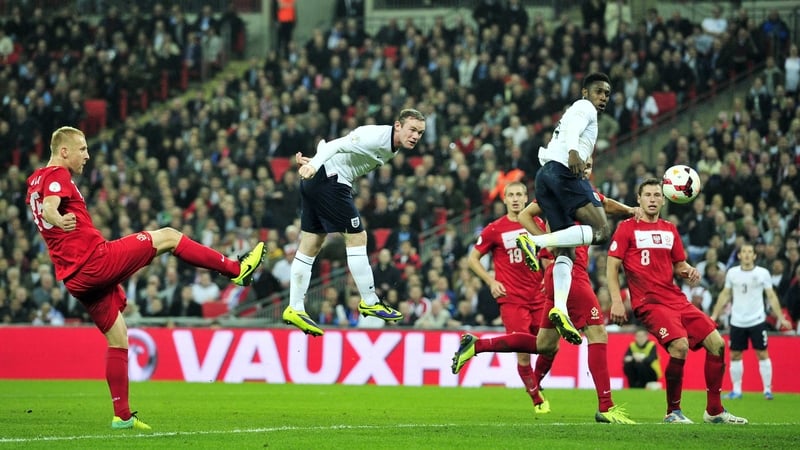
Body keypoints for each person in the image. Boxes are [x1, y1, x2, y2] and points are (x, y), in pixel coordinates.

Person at [25, 126, 266, 430]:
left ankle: (121, 415)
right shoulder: (57, 176)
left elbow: (43, 205)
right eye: (82, 149)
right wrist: (59, 218)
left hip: (74, 278)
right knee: (168, 236)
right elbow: (50, 208)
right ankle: (236, 270)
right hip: (92, 262)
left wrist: (56, 218)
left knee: (119, 339)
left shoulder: (34, 180)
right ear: (63, 152)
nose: (87, 155)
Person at [606, 178, 748, 425]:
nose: (652, 199)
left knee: (717, 344)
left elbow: (678, 264)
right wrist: (616, 301)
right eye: (647, 195)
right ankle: (673, 411)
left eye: (656, 195)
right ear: (638, 199)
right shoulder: (627, 228)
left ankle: (714, 411)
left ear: (663, 199)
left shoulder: (669, 229)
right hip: (649, 302)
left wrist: (688, 270)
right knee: (680, 346)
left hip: (675, 299)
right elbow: (612, 266)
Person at [282, 109, 426, 336]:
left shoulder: (392, 145)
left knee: (310, 243)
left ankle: (294, 307)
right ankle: (369, 300)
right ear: (398, 126)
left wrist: (316, 163)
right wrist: (314, 165)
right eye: (412, 130)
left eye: (420, 132)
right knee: (358, 237)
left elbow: (340, 153)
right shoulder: (376, 136)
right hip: (331, 183)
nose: (416, 136)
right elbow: (333, 146)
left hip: (319, 180)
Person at [515, 72, 612, 346]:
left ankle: (559, 306)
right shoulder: (584, 108)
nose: (603, 97)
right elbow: (573, 132)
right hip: (562, 171)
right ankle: (534, 242)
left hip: (545, 176)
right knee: (602, 230)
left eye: (607, 94)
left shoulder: (573, 111)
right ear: (585, 92)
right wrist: (573, 152)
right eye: (599, 91)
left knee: (565, 253)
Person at [466, 181, 553, 413]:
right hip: (512, 298)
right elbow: (472, 259)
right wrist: (491, 281)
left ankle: (535, 382)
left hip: (539, 295)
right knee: (523, 354)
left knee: (549, 347)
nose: (515, 199)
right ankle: (536, 397)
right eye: (511, 195)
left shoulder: (537, 223)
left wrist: (548, 276)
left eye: (519, 195)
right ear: (504, 200)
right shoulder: (495, 229)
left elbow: (547, 254)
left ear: (526, 199)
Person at [710, 242, 792, 400]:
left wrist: (781, 318)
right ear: (740, 255)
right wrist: (714, 315)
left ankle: (767, 389)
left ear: (754, 256)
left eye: (750, 252)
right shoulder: (732, 273)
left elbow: (771, 296)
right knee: (735, 355)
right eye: (744, 252)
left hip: (757, 320)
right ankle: (737, 390)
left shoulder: (763, 273)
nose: (747, 255)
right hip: (737, 321)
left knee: (762, 353)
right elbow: (725, 294)